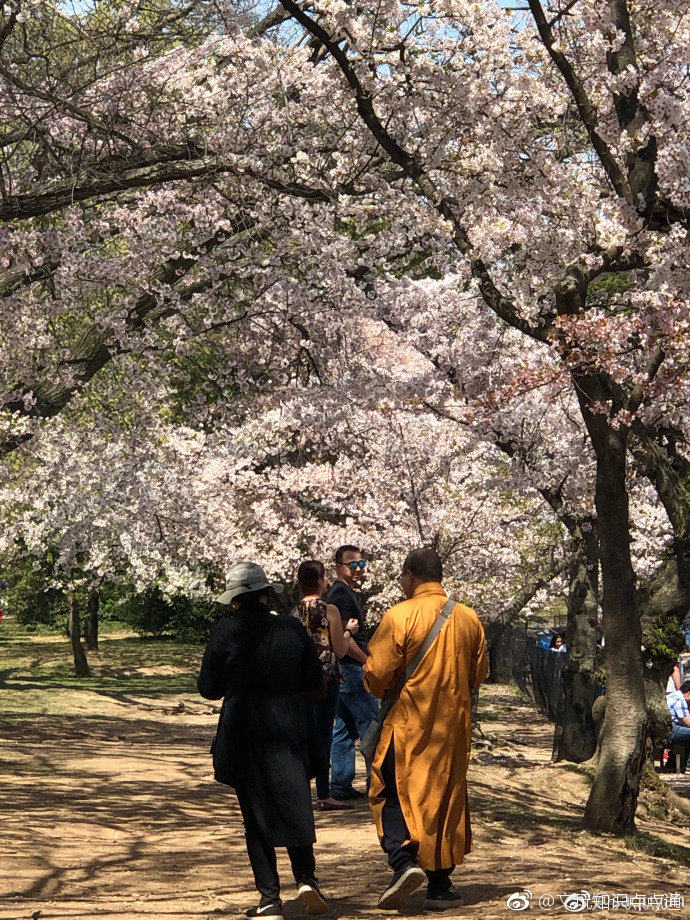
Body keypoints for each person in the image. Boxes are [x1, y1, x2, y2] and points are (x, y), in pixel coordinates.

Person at [198, 562, 328, 920]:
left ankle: (270, 899)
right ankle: (307, 879)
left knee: (255, 814)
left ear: (235, 599)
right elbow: (313, 677)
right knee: (296, 797)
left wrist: (237, 684)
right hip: (289, 721)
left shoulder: (224, 632)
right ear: (266, 593)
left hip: (243, 726)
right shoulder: (290, 627)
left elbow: (208, 688)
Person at [364, 547, 487, 911]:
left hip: (407, 726)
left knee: (391, 790)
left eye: (402, 577)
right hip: (452, 730)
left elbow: (376, 674)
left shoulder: (399, 615)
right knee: (444, 799)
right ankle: (440, 885)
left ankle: (403, 863)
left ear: (411, 576)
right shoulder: (469, 618)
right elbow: (479, 674)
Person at [294, 559, 359, 811]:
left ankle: (299, 790)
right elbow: (340, 651)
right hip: (325, 679)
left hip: (300, 680)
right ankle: (324, 793)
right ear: (321, 580)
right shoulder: (328, 609)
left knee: (303, 733)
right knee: (323, 735)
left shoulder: (294, 611)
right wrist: (348, 631)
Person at [326, 544, 379, 800]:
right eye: (352, 565)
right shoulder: (341, 596)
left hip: (343, 672)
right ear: (338, 567)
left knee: (344, 729)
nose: (358, 570)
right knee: (371, 724)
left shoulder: (342, 593)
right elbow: (346, 640)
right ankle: (377, 784)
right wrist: (366, 661)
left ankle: (341, 785)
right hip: (352, 669)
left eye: (361, 564)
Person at [666, 680, 690, 772]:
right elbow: (687, 722)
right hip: (670, 729)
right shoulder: (680, 699)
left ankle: (672, 763)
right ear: (688, 693)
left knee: (685, 735)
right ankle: (688, 766)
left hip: (667, 727)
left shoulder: (673, 695)